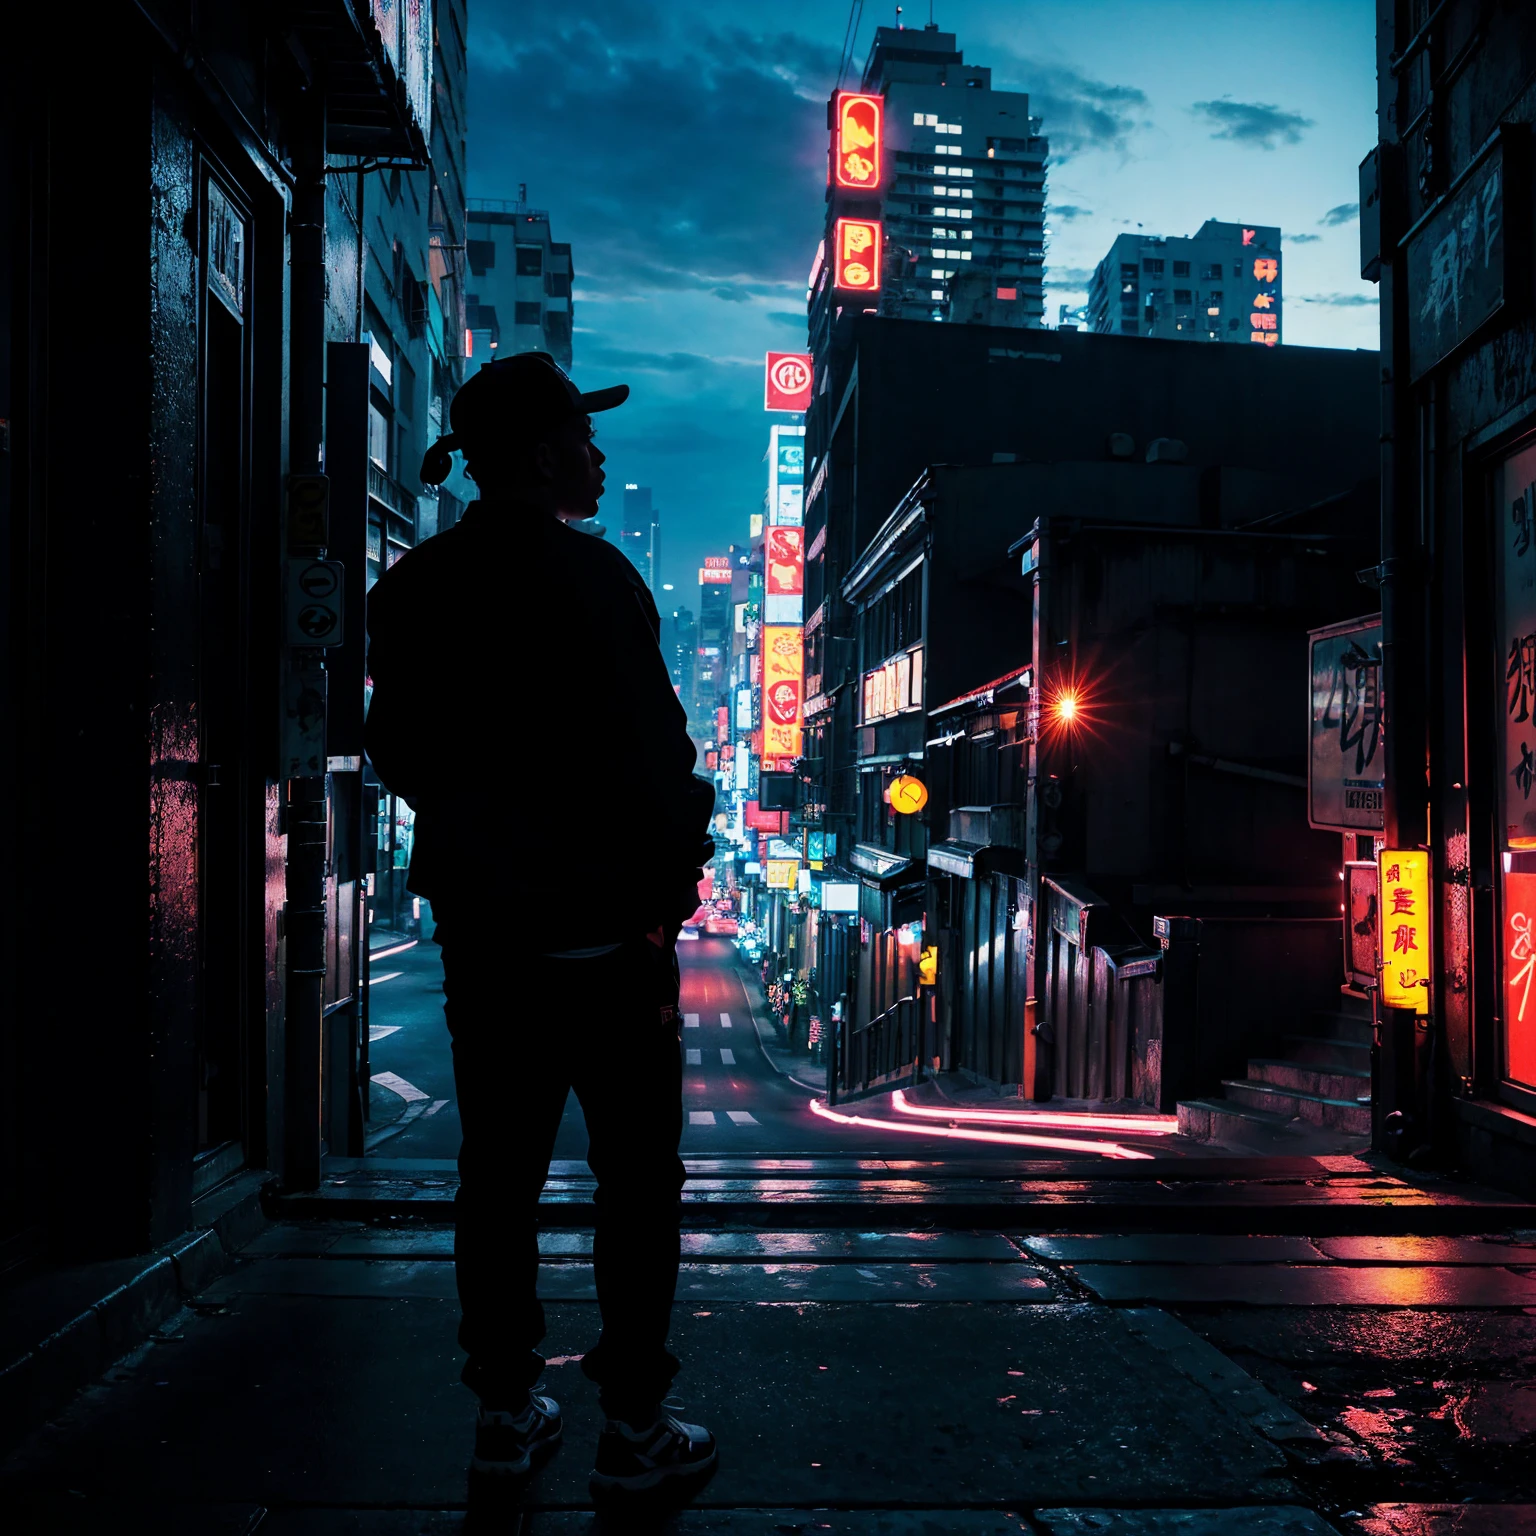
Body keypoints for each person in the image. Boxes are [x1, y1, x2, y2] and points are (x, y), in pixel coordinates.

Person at [365, 352, 717, 1496]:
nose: (598, 454)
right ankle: (634, 1423)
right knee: (635, 1180)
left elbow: (398, 751)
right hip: (611, 944)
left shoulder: (417, 586)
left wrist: (482, 839)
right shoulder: (599, 583)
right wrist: (668, 891)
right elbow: (661, 763)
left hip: (490, 941)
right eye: (582, 434)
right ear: (538, 455)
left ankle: (508, 1408)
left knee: (499, 1175)